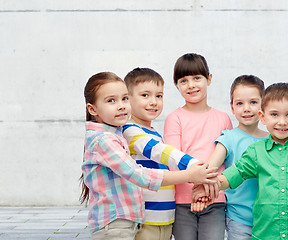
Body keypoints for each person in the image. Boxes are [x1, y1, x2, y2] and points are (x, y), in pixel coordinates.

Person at [79, 72, 218, 239]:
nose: (122, 105)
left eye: (124, 99)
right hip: (127, 220)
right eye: (111, 100)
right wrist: (193, 171)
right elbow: (147, 167)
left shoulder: (126, 134)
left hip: (152, 218)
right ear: (92, 109)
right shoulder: (120, 134)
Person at [193, 82, 288, 240]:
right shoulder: (256, 151)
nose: (282, 122)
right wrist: (208, 187)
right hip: (263, 235)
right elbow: (233, 175)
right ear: (263, 116)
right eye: (274, 114)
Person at [122, 67, 209, 240]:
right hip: (144, 220)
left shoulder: (154, 132)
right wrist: (193, 166)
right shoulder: (129, 130)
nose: (153, 101)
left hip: (165, 219)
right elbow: (160, 152)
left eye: (159, 96)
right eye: (145, 95)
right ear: (127, 99)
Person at [164, 53, 233, 239]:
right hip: (182, 202)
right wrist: (197, 184)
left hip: (215, 199)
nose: (191, 85)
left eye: (197, 78)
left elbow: (228, 160)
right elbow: (173, 159)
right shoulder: (174, 118)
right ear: (176, 85)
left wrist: (206, 190)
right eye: (184, 80)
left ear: (209, 79)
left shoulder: (223, 119)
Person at [193, 75, 268, 240]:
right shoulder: (229, 138)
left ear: (264, 105)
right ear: (232, 108)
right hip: (238, 218)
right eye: (240, 103)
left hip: (269, 219)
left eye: (253, 102)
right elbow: (210, 169)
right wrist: (202, 190)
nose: (246, 108)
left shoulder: (271, 140)